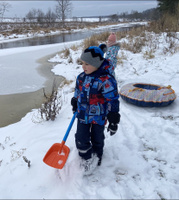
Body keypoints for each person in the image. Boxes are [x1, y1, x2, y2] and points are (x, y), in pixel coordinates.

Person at [71, 33, 120, 175]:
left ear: (97, 64)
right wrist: (75, 100)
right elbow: (78, 91)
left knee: (97, 137)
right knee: (81, 137)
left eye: (87, 63)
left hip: (99, 116)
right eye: (82, 63)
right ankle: (86, 156)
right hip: (82, 114)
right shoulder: (81, 77)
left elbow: (112, 99)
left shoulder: (105, 80)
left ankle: (98, 155)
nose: (83, 66)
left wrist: (113, 116)